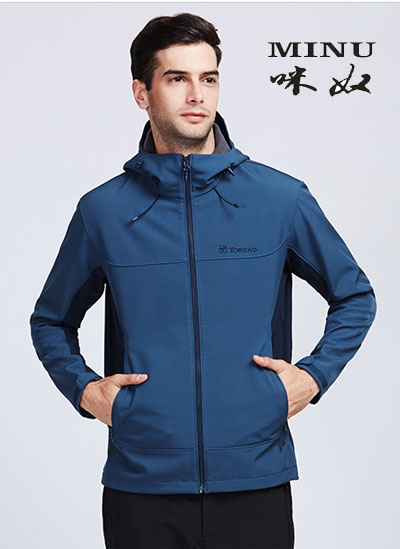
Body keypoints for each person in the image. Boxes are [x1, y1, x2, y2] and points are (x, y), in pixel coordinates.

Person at [29, 12, 377, 549]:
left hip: (254, 480)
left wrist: (312, 378)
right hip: (142, 486)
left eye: (208, 78)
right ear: (142, 93)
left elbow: (354, 295)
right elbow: (51, 320)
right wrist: (86, 391)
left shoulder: (279, 199)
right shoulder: (104, 211)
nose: (197, 95)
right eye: (177, 78)